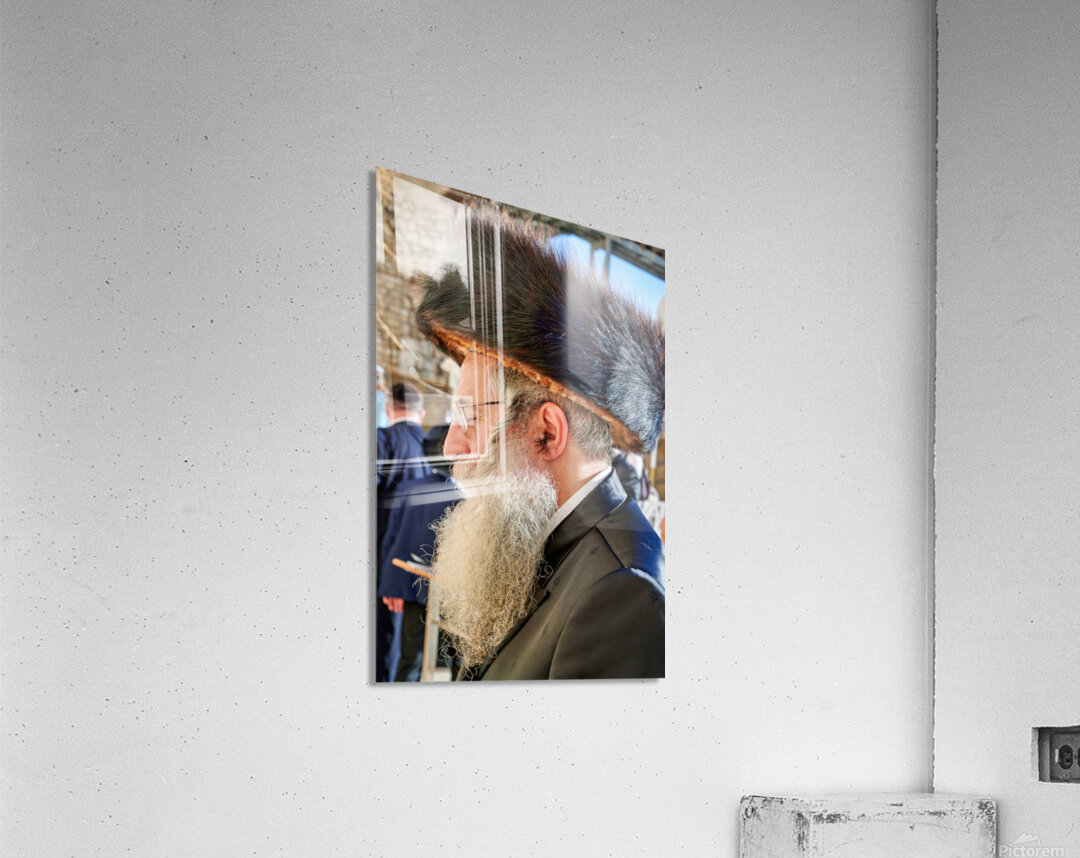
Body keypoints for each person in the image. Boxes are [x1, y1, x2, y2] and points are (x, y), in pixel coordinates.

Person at [414, 212, 665, 680]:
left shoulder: (622, 592)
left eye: (470, 416)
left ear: (546, 432)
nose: (452, 442)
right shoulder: (543, 538)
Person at [375, 382, 431, 682]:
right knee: (410, 653)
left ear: (388, 409)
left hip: (382, 565)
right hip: (420, 569)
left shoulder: (382, 441)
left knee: (382, 651)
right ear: (420, 413)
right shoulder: (434, 447)